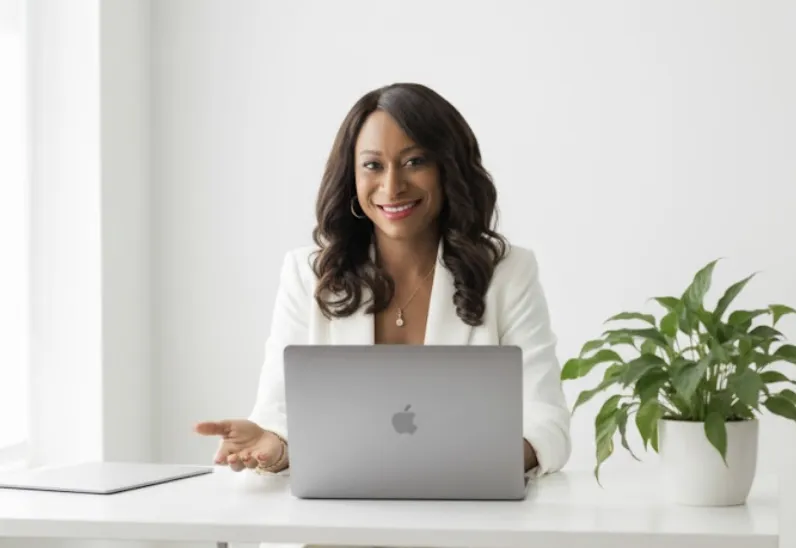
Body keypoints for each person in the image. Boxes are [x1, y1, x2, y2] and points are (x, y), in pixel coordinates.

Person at [195, 82, 571, 480]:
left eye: (414, 162)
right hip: (338, 525)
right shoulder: (307, 274)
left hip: (462, 517)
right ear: (352, 177)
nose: (392, 187)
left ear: (449, 168)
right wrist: (273, 448)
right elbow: (277, 416)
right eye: (373, 165)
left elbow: (548, 423)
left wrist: (477, 465)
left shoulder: (508, 273)